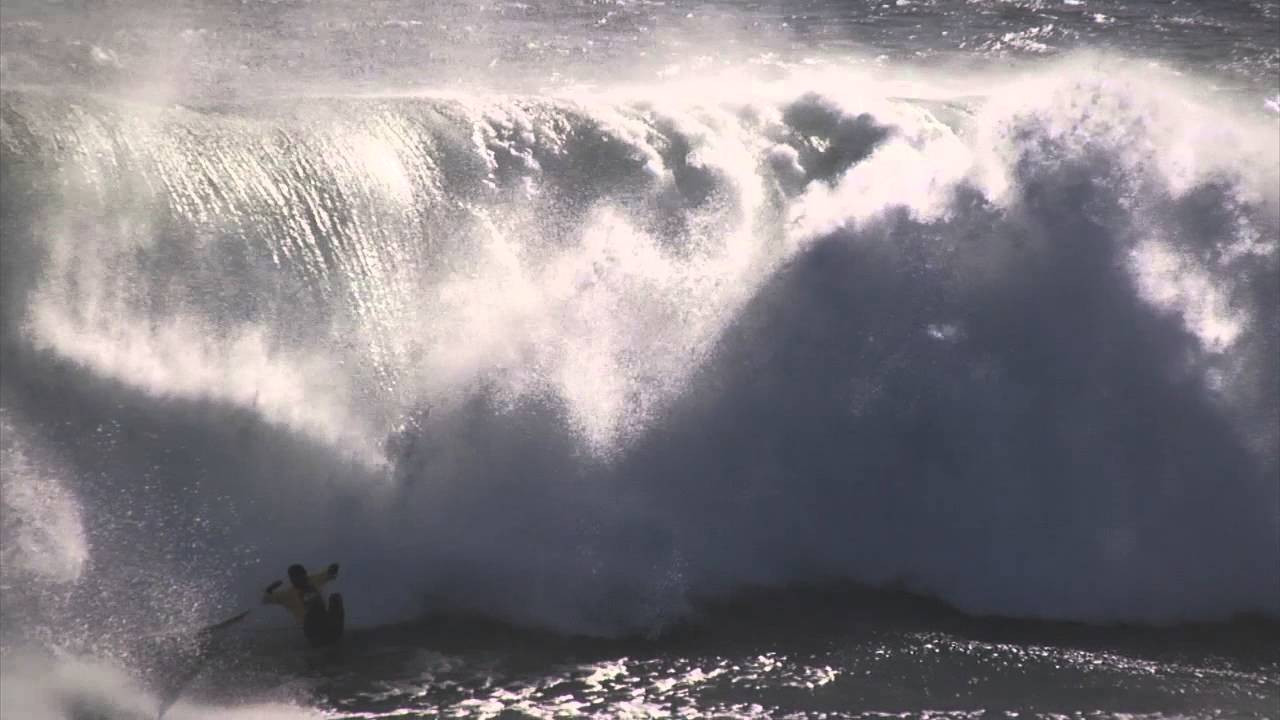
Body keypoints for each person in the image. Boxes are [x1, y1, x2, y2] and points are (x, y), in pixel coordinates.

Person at [263, 562, 344, 646]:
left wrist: (333, 568)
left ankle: (335, 631)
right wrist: (269, 589)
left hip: (328, 625)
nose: (301, 580)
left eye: (303, 576)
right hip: (312, 631)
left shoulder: (312, 580)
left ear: (305, 575)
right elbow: (265, 599)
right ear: (291, 579)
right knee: (314, 607)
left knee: (335, 597)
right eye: (296, 578)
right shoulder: (288, 594)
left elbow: (329, 574)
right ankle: (322, 639)